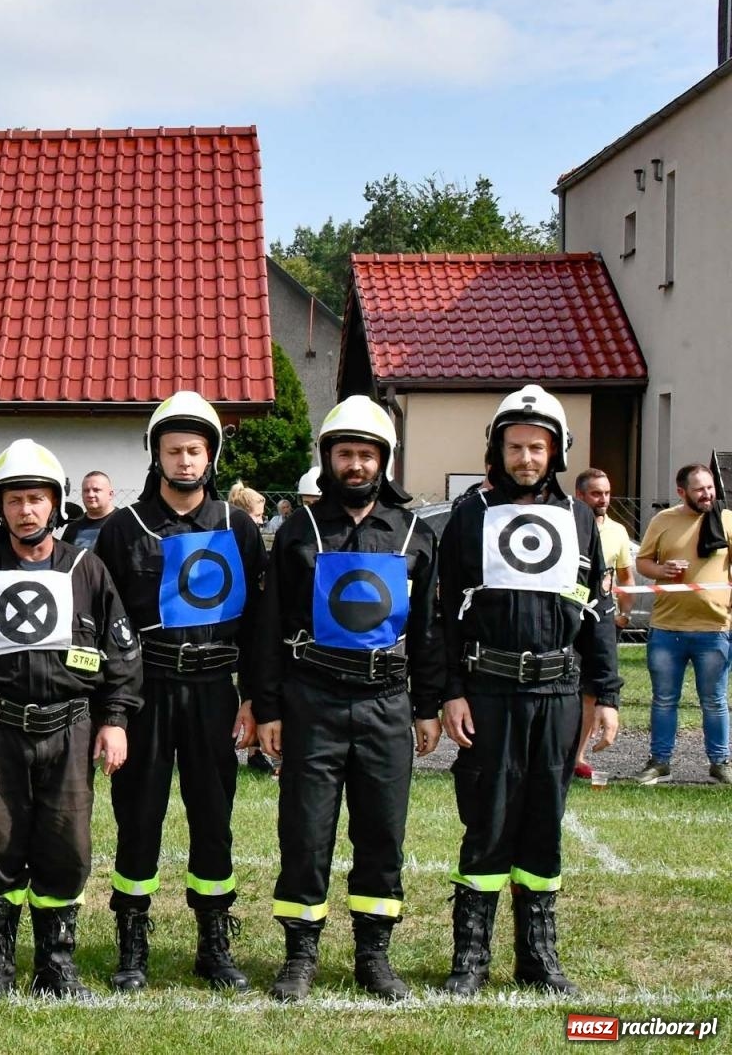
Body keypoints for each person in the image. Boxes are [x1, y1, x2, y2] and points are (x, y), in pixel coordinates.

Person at [0, 438, 141, 1000]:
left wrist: (115, 718)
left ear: (57, 503)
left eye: (38, 499)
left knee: (65, 844)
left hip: (70, 729)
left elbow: (122, 653)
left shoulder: (86, 568)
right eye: (16, 499)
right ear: (0, 506)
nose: (28, 510)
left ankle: (56, 965)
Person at [255, 396, 444, 1001]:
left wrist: (427, 706)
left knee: (382, 831)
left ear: (383, 461)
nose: (356, 464)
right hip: (313, 698)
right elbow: (269, 624)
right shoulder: (297, 530)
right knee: (305, 831)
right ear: (328, 459)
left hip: (387, 699)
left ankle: (374, 954)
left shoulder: (416, 531)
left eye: (367, 454)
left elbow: (431, 627)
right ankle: (300, 954)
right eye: (345, 453)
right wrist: (269, 707)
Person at [437, 385, 621, 996]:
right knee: (485, 821)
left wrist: (608, 694)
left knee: (544, 821)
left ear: (556, 451)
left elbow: (597, 611)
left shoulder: (580, 519)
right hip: (487, 692)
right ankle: (471, 957)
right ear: (498, 448)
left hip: (557, 695)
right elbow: (445, 613)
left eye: (537, 448)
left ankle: (537, 955)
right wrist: (452, 691)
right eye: (515, 446)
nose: (525, 458)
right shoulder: (468, 515)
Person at [92, 391, 270, 993]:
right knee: (137, 817)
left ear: (210, 455)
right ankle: (132, 947)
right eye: (175, 451)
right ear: (156, 455)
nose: (186, 461)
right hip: (148, 691)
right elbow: (105, 623)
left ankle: (214, 945)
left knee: (212, 817)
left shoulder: (236, 526)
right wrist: (112, 709)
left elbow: (258, 622)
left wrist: (252, 697)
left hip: (215, 690)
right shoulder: (123, 528)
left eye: (195, 450)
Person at [632, 463, 732, 785]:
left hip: (715, 630)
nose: (708, 494)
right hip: (667, 629)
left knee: (714, 701)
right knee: (663, 699)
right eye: (700, 489)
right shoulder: (664, 520)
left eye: (710, 488)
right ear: (681, 492)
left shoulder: (727, 519)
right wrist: (662, 571)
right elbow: (643, 562)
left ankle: (720, 762)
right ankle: (660, 762)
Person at [572, 468, 636, 779]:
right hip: (569, 622)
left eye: (607, 493)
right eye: (597, 493)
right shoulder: (568, 527)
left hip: (602, 623)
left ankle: (577, 756)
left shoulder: (619, 532)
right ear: (580, 495)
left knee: (591, 692)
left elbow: (624, 576)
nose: (604, 499)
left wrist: (623, 614)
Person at [61, 471, 115, 549]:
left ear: (110, 494)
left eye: (96, 490)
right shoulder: (74, 525)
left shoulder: (122, 523)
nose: (90, 495)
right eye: (86, 490)